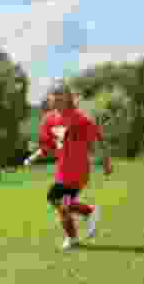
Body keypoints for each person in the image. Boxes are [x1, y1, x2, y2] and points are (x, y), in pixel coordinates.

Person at [24, 80, 112, 250]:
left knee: (54, 198)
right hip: (62, 170)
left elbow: (98, 140)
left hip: (78, 169)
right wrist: (32, 158)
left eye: (60, 94)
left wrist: (106, 162)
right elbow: (47, 147)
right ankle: (72, 238)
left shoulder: (80, 119)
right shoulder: (49, 120)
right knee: (62, 207)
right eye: (53, 94)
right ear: (49, 98)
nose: (56, 97)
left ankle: (89, 211)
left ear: (68, 97)